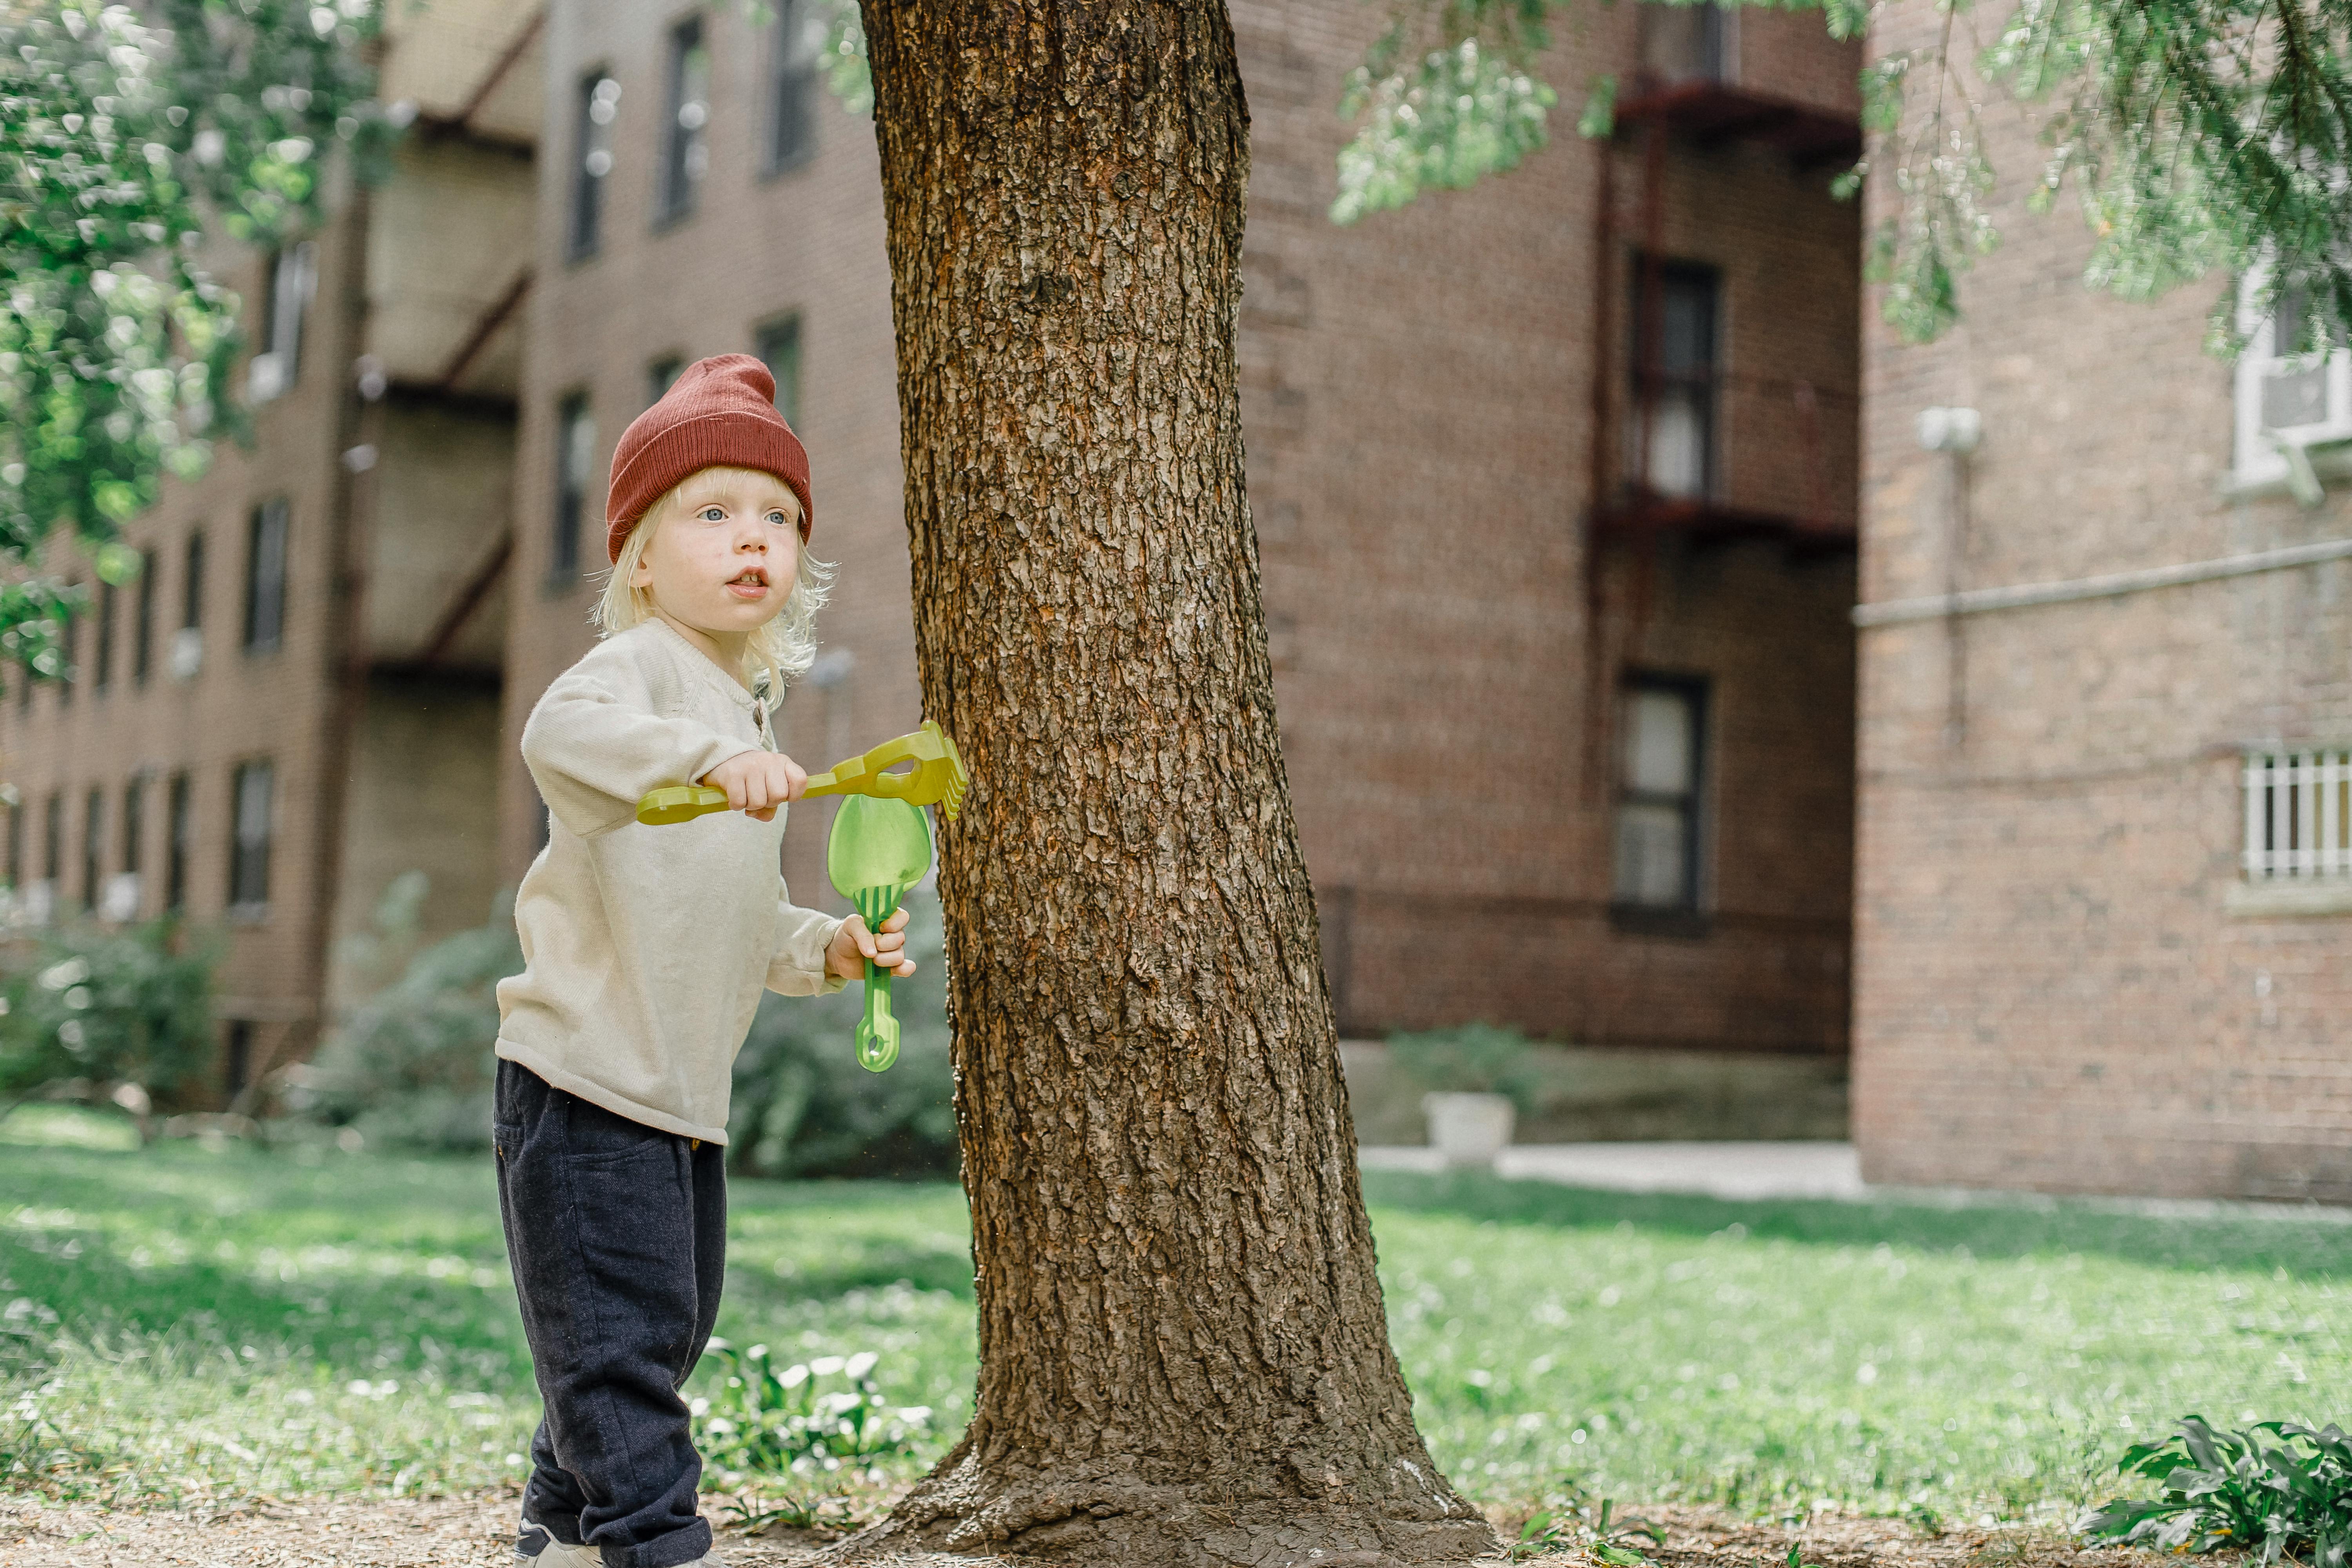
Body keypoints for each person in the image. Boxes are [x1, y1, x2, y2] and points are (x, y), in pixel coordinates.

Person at [490, 355, 915, 1568]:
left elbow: (738, 906)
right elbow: (558, 734)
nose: (754, 540)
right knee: (620, 1347)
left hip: (679, 1091)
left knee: (653, 1330)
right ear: (637, 556)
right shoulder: (641, 676)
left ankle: (559, 1525)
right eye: (714, 512)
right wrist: (699, 760)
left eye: (778, 518)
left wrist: (824, 945)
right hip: (582, 1076)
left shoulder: (744, 710)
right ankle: (653, 1542)